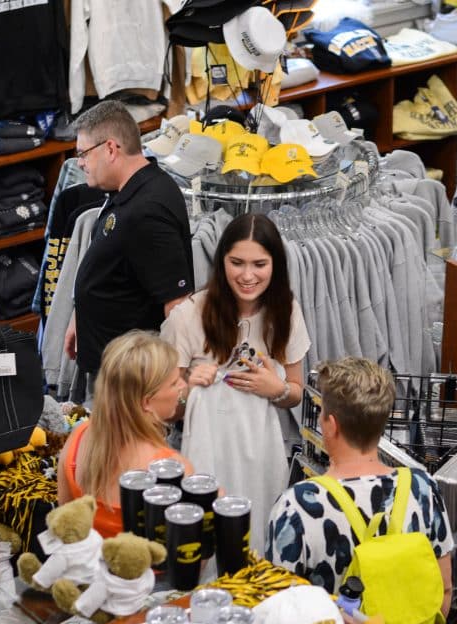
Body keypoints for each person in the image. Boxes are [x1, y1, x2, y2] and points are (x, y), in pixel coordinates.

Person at [265, 357, 454, 624]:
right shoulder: (422, 488)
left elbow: (280, 615)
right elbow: (444, 587)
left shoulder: (298, 506)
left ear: (331, 424)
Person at [161, 213, 310, 551]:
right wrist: (188, 388)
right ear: (221, 262)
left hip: (262, 455)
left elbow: (296, 392)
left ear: (276, 265)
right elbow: (164, 408)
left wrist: (277, 390)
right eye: (237, 263)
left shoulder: (286, 312)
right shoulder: (187, 317)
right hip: (202, 455)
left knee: (260, 537)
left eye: (259, 264)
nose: (247, 276)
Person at [64, 100, 194, 399]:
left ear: (110, 148)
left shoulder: (149, 210)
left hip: (130, 383)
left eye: (83, 153)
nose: (79, 163)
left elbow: (177, 306)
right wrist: (79, 317)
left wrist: (171, 388)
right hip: (109, 365)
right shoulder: (127, 190)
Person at [58, 330, 194, 538]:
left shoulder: (78, 438)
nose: (183, 387)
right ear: (146, 402)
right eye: (175, 383)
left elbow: (64, 525)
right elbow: (187, 550)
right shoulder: (171, 468)